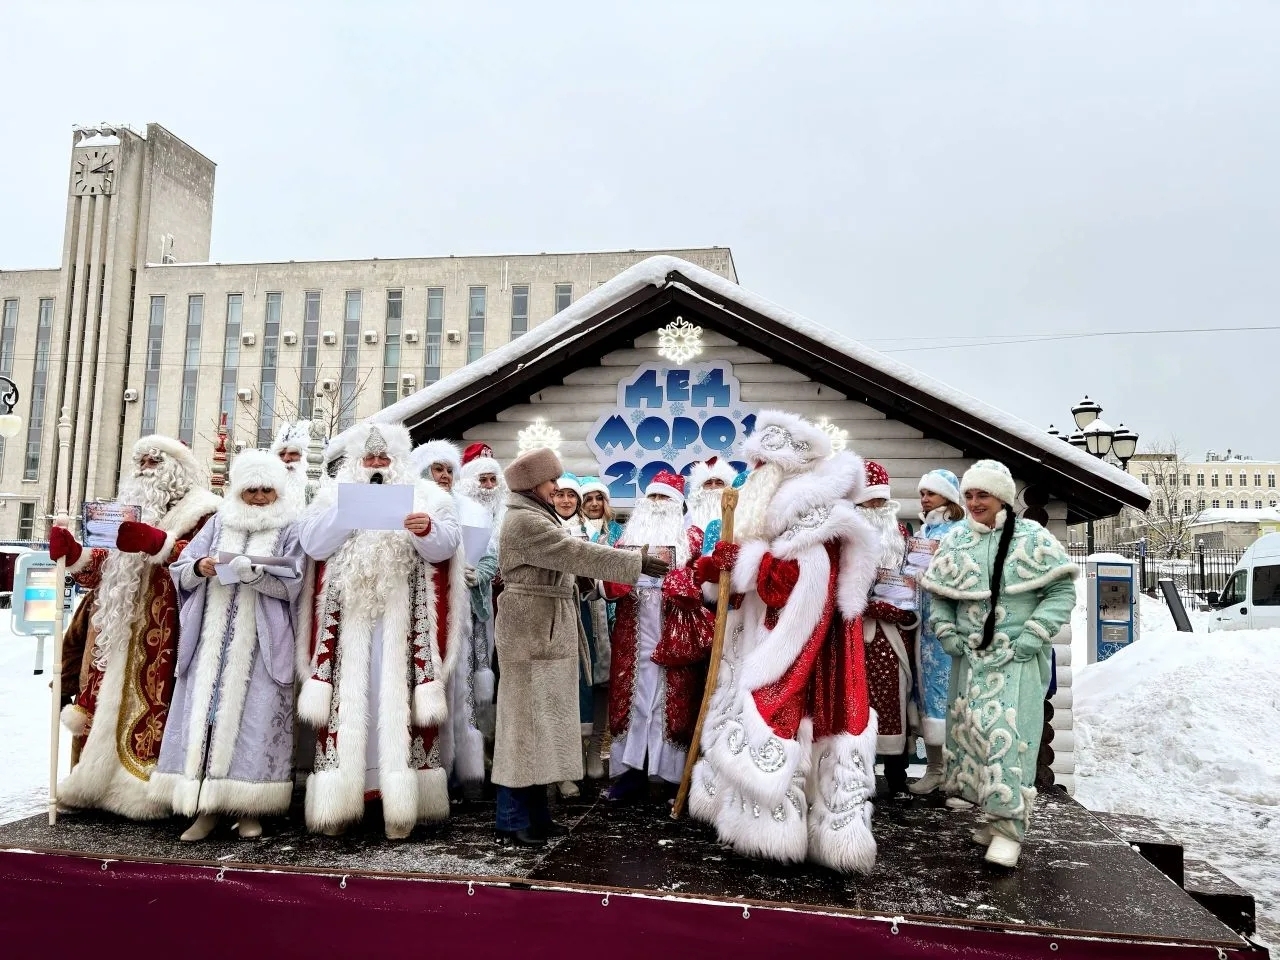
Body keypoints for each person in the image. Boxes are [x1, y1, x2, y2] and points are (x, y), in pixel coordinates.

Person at [689, 410, 881, 874]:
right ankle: (753, 825)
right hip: (767, 640)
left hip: (801, 651)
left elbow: (800, 582)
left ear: (781, 470)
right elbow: (755, 583)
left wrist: (747, 564)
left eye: (760, 466)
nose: (751, 474)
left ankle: (778, 834)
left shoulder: (816, 517)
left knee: (789, 725)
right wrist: (721, 573)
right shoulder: (773, 518)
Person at [295, 422, 466, 839]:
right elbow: (313, 545)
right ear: (355, 462)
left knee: (398, 710)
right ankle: (339, 803)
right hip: (346, 628)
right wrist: (347, 512)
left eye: (383, 458)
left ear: (399, 461)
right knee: (346, 711)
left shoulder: (429, 497)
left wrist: (426, 529)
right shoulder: (330, 496)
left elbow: (448, 546)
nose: (376, 464)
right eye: (369, 458)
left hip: (404, 628)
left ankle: (401, 807)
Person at [492, 446, 668, 847]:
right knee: (522, 726)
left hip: (543, 627)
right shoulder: (524, 522)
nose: (557, 488)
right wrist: (633, 561)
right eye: (552, 481)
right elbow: (575, 552)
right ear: (533, 484)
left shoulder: (537, 515)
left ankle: (535, 815)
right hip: (531, 630)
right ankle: (512, 819)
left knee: (539, 727)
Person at [51, 435, 222, 818]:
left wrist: (160, 543)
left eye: (155, 461)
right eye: (140, 461)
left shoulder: (205, 511)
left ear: (179, 468)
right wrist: (77, 555)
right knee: (101, 704)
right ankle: (94, 785)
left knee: (151, 707)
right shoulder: (121, 511)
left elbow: (208, 562)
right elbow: (104, 565)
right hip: (118, 627)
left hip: (166, 631)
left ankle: (145, 790)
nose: (145, 469)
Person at [920, 459, 1076, 868]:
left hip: (1015, 658)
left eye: (982, 495)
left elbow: (1060, 593)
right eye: (969, 494)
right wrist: (946, 629)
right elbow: (940, 594)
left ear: (1001, 497)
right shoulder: (956, 540)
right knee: (973, 737)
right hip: (970, 658)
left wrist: (1033, 635)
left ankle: (1010, 830)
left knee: (1010, 736)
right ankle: (992, 818)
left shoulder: (1031, 538)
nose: (974, 502)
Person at [152, 451, 305, 841]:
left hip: (262, 645)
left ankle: (249, 807)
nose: (257, 497)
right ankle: (205, 808)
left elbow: (294, 583)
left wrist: (254, 577)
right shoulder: (220, 521)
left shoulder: (292, 526)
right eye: (250, 490)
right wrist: (201, 567)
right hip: (211, 646)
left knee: (254, 723)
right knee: (207, 719)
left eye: (265, 490)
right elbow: (181, 567)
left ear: (277, 491)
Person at [602, 471, 713, 804]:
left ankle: (670, 776)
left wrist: (682, 584)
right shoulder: (625, 540)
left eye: (664, 497)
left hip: (674, 633)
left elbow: (705, 586)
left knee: (672, 702)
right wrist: (625, 578)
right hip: (633, 632)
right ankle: (631, 773)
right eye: (652, 497)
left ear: (677, 502)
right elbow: (607, 585)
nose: (657, 503)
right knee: (633, 700)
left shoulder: (693, 538)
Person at [413, 437, 487, 798]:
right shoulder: (412, 504)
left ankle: (463, 772)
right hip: (426, 610)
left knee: (464, 690)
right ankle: (432, 773)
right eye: (437, 468)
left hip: (464, 612)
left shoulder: (470, 508)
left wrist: (479, 572)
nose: (443, 476)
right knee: (432, 689)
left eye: (448, 470)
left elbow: (491, 552)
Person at [854, 460, 919, 795]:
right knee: (860, 703)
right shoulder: (847, 537)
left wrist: (906, 609)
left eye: (882, 501)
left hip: (895, 635)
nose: (878, 507)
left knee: (896, 699)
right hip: (857, 634)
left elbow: (916, 583)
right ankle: (860, 773)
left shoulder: (902, 536)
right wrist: (866, 605)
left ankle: (897, 774)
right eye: (871, 501)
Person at [907, 468, 965, 795]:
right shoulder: (925, 531)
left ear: (948, 496)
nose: (925, 498)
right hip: (922, 627)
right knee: (928, 696)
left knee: (950, 697)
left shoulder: (957, 533)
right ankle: (935, 769)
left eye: (931, 492)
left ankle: (956, 776)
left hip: (948, 627)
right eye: (922, 493)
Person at [455, 442, 505, 754]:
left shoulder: (506, 512)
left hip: (501, 607)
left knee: (492, 677)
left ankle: (488, 745)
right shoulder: (455, 508)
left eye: (492, 480)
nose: (488, 487)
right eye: (481, 480)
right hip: (463, 604)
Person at [577, 476, 623, 779]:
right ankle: (577, 757)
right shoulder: (573, 531)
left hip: (610, 617)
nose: (594, 504)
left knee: (605, 684)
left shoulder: (618, 533)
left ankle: (596, 753)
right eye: (588, 499)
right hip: (583, 615)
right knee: (582, 684)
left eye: (599, 499)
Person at [549, 472, 590, 797]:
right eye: (560, 494)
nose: (565, 500)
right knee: (551, 693)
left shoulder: (588, 532)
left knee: (576, 694)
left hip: (580, 618)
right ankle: (547, 769)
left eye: (571, 496)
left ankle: (568, 770)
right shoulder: (543, 526)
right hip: (547, 619)